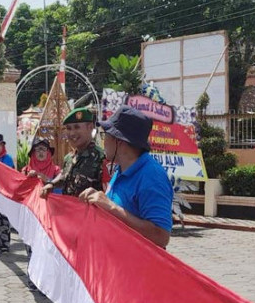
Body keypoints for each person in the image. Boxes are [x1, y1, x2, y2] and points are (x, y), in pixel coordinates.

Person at [80, 106, 174, 248]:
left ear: (119, 142)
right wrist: (98, 201)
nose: (103, 142)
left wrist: (110, 207)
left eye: (106, 136)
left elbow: (160, 236)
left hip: (138, 267)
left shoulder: (152, 176)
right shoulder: (122, 169)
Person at [41, 107, 108, 199]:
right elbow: (64, 175)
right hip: (68, 211)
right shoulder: (69, 158)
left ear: (90, 127)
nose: (72, 133)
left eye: (77, 127)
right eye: (68, 128)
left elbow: (109, 195)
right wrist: (51, 184)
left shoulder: (102, 159)